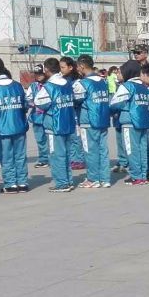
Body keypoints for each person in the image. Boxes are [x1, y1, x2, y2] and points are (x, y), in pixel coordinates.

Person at [0, 57, 29, 194]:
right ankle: (22, 182)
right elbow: (26, 105)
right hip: (19, 126)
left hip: (1, 128)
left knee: (6, 156)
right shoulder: (18, 85)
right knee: (20, 155)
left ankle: (10, 184)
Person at [32, 57, 78, 193]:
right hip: (68, 122)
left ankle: (62, 183)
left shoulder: (49, 86)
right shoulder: (67, 83)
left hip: (54, 124)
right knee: (66, 154)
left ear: (46, 69)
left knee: (56, 154)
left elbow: (38, 102)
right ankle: (68, 180)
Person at [110, 63, 149, 185]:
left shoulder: (127, 86)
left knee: (131, 150)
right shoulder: (144, 87)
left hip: (129, 122)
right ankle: (143, 175)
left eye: (121, 71)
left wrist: (113, 111)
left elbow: (115, 103)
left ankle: (136, 176)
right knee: (142, 150)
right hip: (143, 123)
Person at [72, 55, 112, 188]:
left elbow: (75, 99)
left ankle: (93, 178)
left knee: (90, 150)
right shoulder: (103, 81)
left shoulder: (82, 83)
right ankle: (105, 178)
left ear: (82, 66)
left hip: (88, 120)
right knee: (103, 150)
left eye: (78, 67)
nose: (77, 69)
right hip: (103, 119)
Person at [62, 57, 87, 173]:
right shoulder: (62, 80)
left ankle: (79, 160)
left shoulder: (77, 81)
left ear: (70, 67)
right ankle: (73, 159)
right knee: (70, 137)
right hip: (66, 113)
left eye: (63, 67)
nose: (61, 70)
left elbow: (78, 98)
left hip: (75, 112)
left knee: (76, 137)